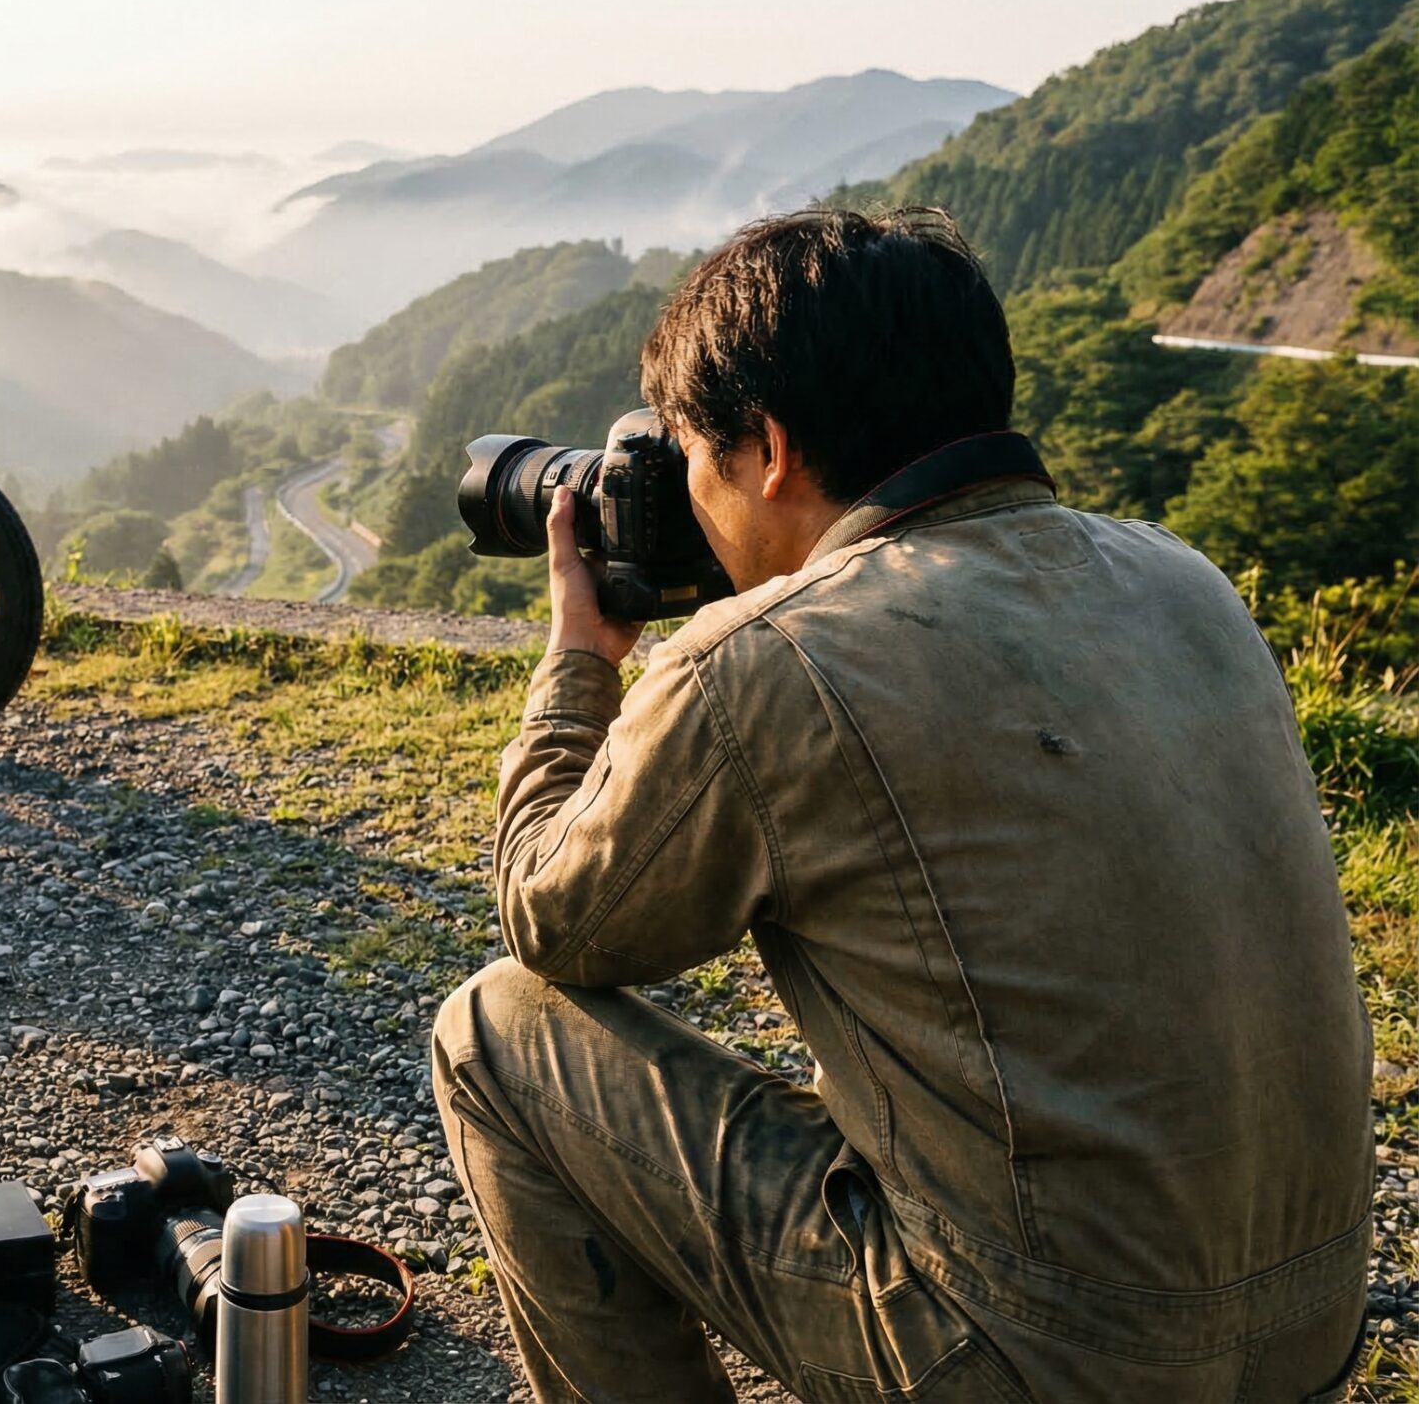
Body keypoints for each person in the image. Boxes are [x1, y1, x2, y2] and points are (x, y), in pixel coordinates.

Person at [430, 207, 1373, 1402]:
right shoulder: (1182, 579)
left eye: (692, 460)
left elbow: (549, 916)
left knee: (495, 1031)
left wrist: (579, 658)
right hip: (1306, 1331)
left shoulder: (770, 659)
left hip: (1049, 1363)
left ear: (767, 450)